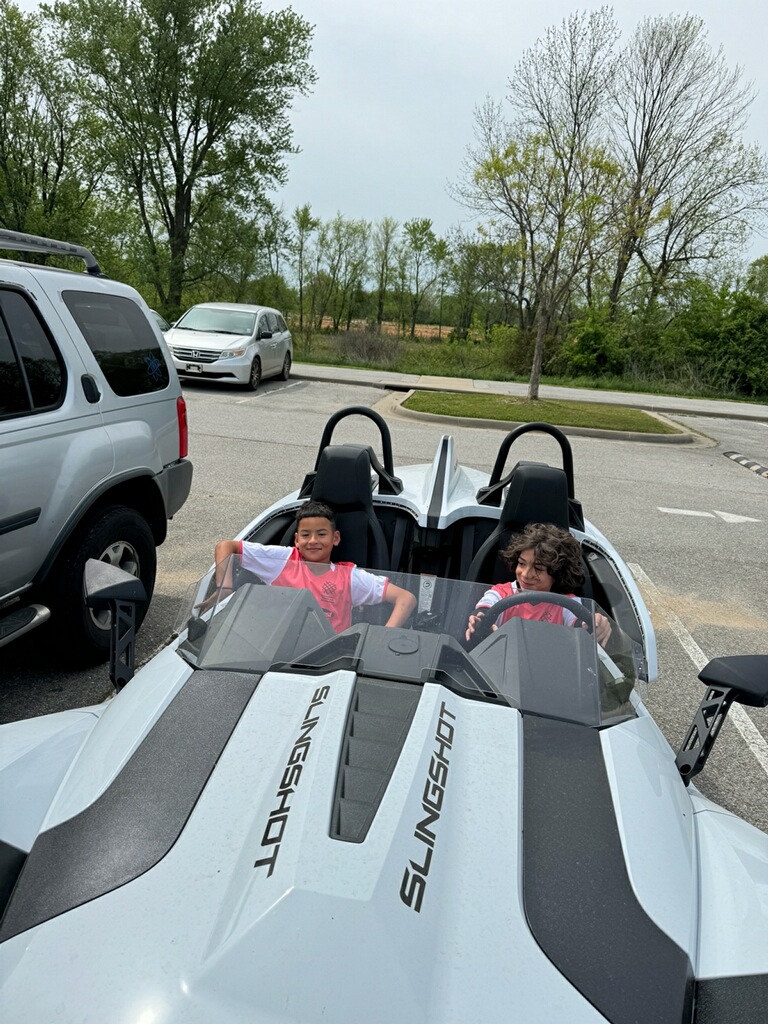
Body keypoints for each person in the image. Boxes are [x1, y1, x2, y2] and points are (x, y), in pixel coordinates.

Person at [210, 500, 416, 634]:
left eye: (322, 534)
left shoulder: (348, 576)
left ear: (335, 538)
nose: (313, 541)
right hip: (276, 654)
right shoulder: (283, 560)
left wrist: (383, 637)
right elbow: (226, 546)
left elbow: (406, 598)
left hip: (328, 660)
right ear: (297, 540)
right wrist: (224, 589)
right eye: (306, 535)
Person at [465, 522, 612, 645]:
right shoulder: (500, 593)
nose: (525, 574)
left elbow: (581, 622)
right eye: (522, 563)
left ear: (557, 573)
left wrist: (596, 623)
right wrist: (479, 620)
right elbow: (484, 610)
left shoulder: (568, 604)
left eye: (538, 568)